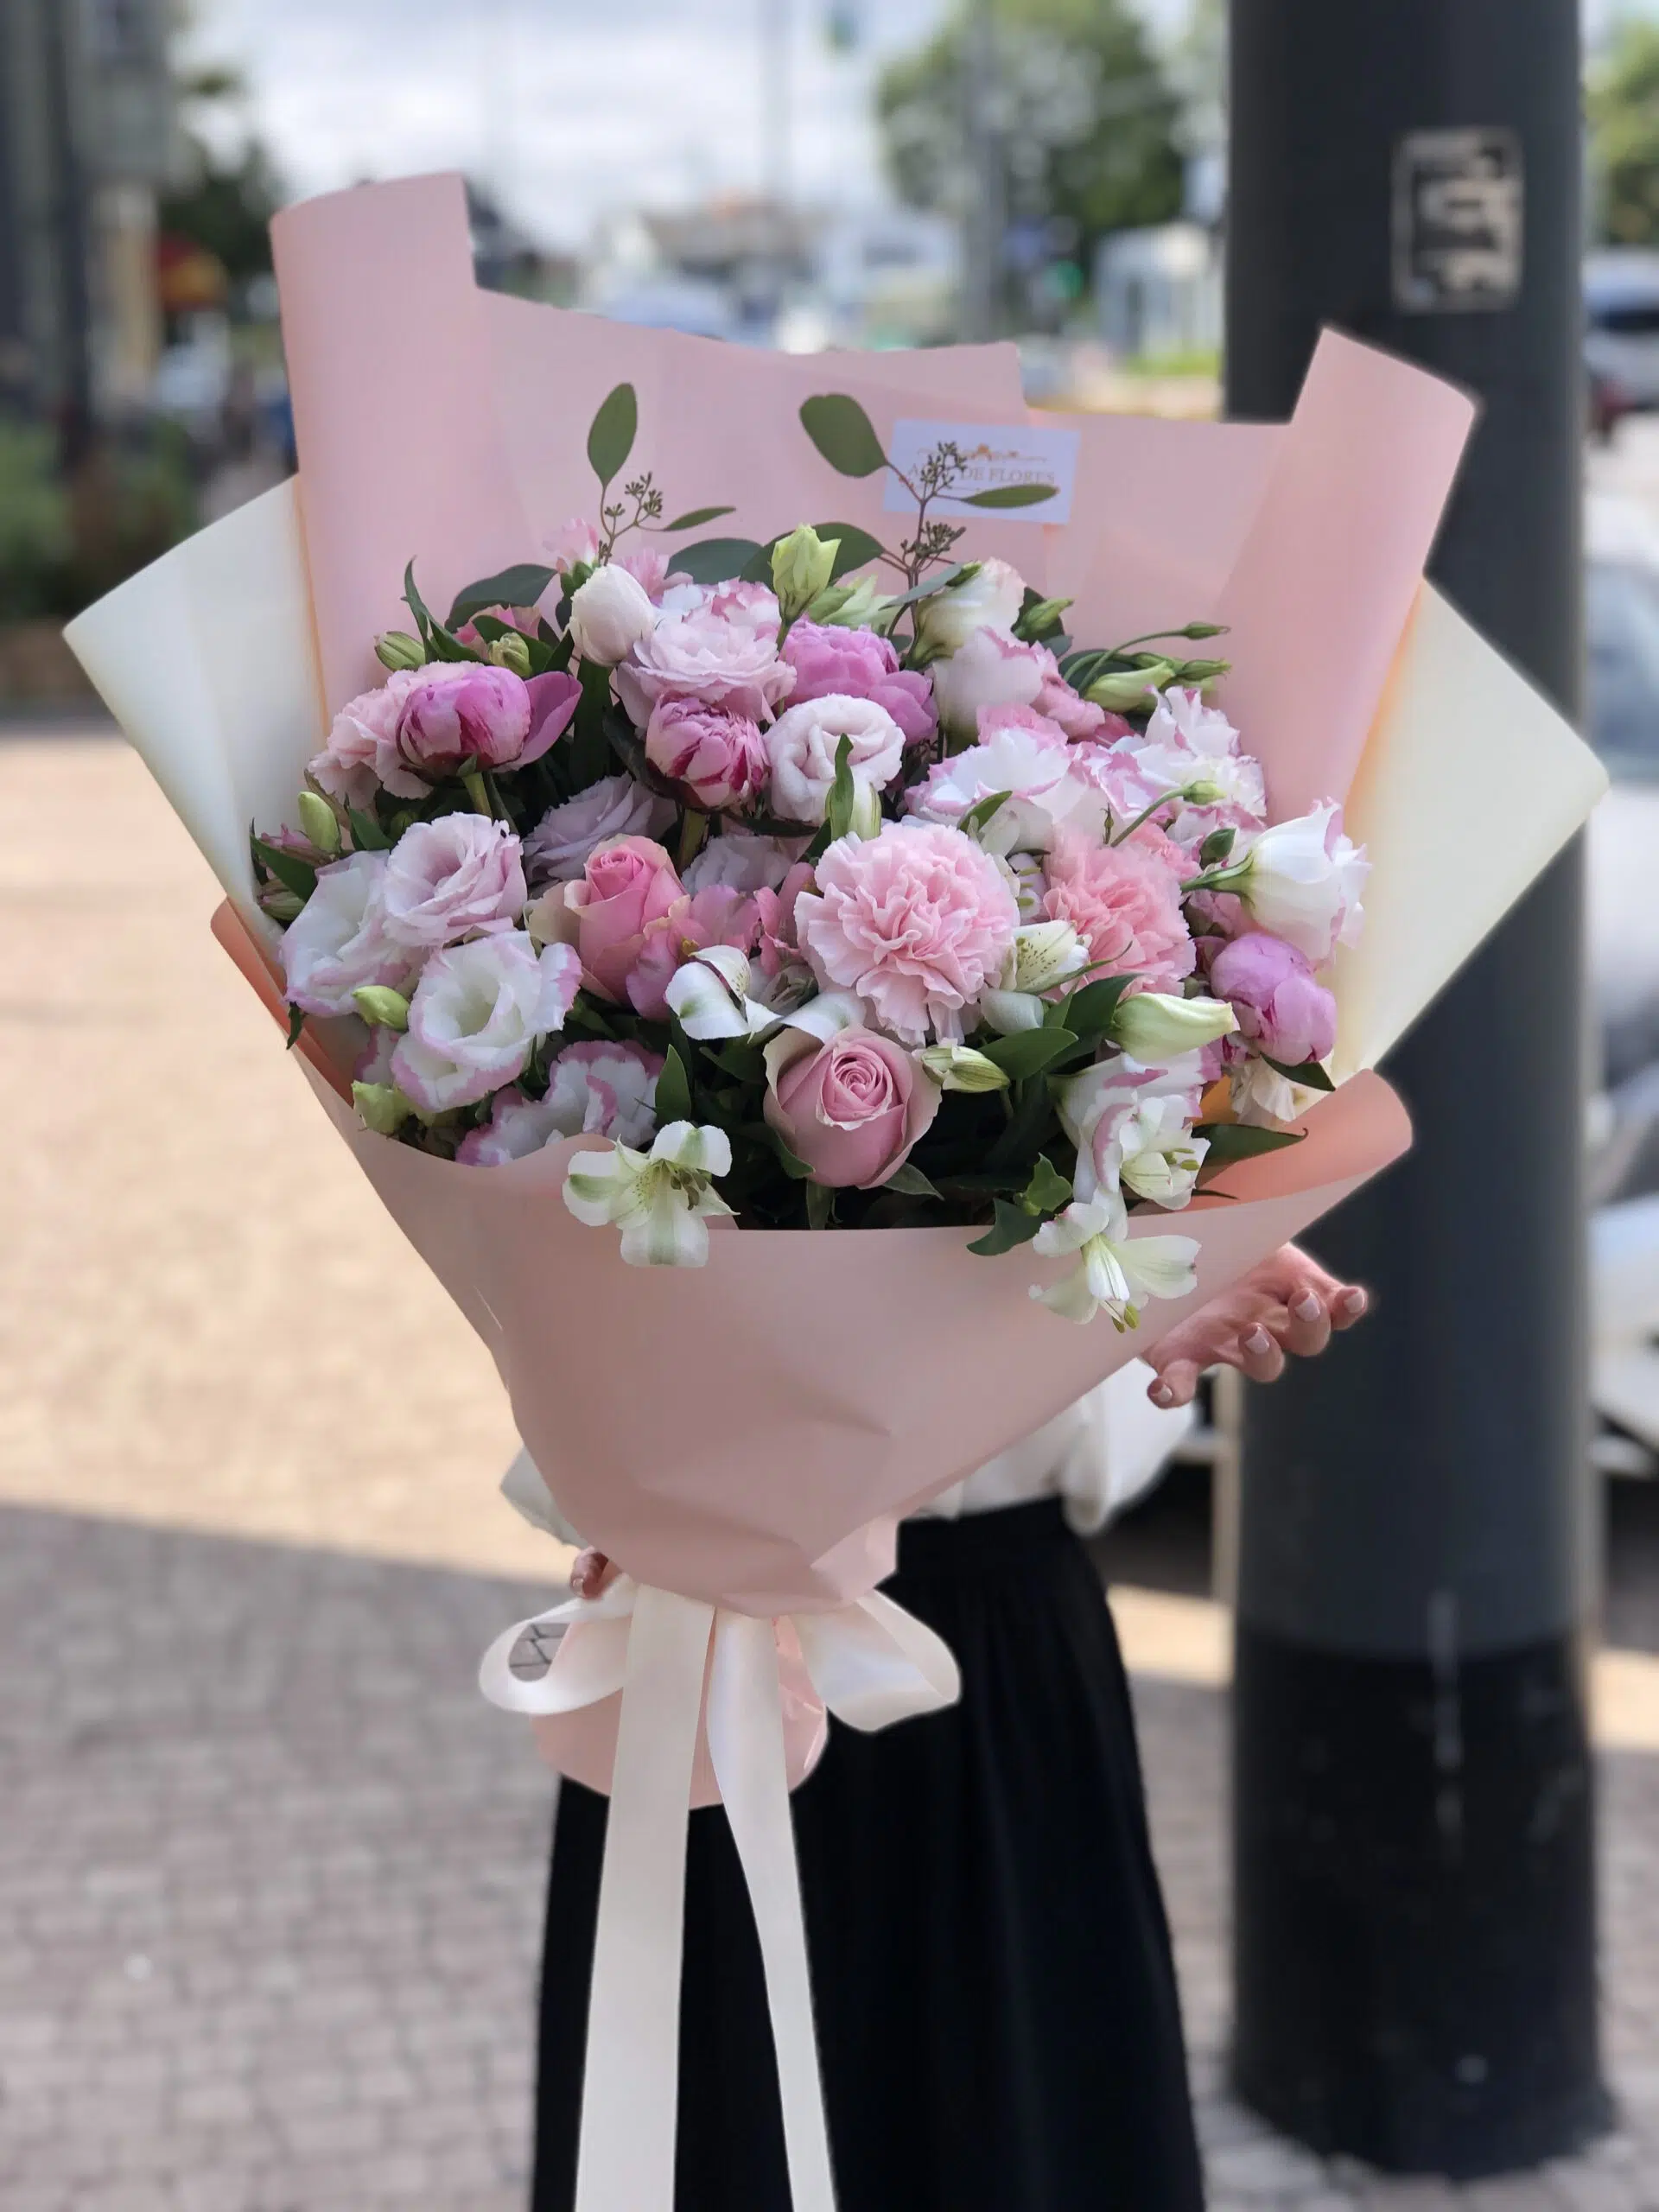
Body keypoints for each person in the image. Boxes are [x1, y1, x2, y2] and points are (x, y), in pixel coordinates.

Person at [521, 1243, 1368, 2212]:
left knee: (1014, 2119)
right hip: (717, 1619)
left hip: (982, 1645)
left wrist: (1156, 1265)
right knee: (718, 2115)